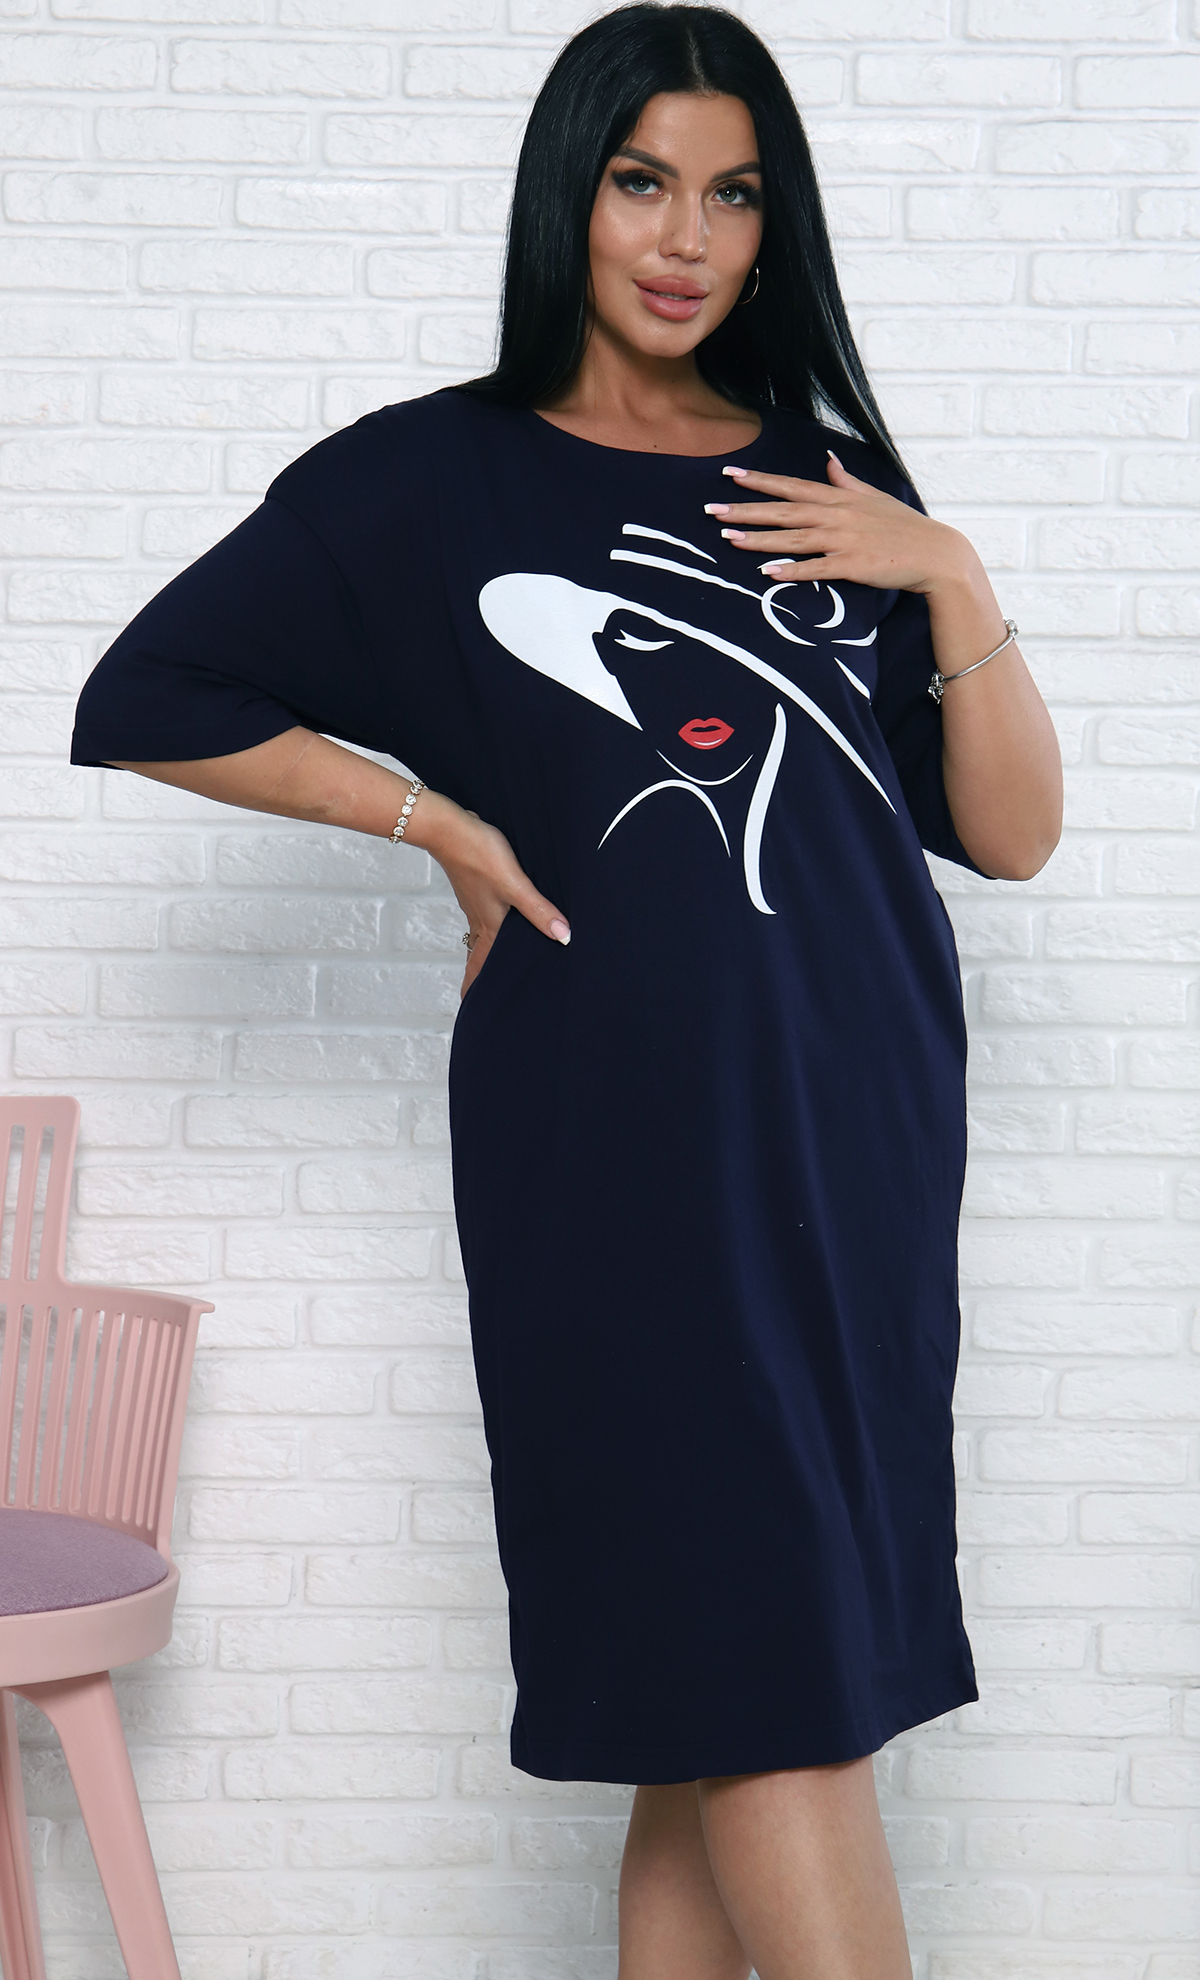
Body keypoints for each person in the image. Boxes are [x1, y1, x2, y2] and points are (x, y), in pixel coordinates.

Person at [70, 5, 1063, 1974]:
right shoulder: (426, 481)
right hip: (618, 1146)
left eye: (734, 194)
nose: (686, 238)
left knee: (712, 1705)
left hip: (860, 1131)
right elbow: (146, 693)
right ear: (569, 196)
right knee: (778, 1682)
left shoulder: (827, 482)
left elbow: (1010, 834)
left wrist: (947, 569)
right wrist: (432, 817)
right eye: (640, 182)